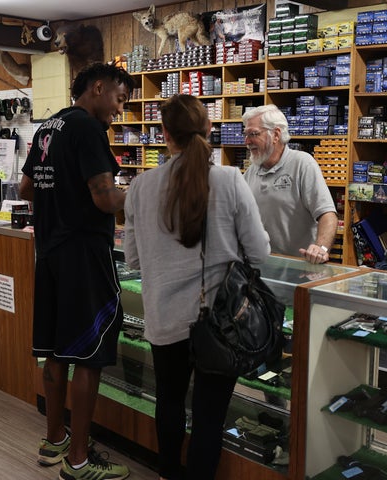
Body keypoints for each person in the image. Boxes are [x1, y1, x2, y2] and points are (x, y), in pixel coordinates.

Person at [123, 94, 270, 480]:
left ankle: (167, 472)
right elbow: (260, 251)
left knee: (169, 404)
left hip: (164, 319)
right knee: (209, 419)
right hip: (220, 325)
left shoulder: (140, 186)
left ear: (164, 135)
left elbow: (134, 260)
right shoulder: (228, 180)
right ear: (208, 130)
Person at [19, 62, 134, 480]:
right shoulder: (87, 128)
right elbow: (105, 199)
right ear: (98, 87)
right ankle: (81, 462)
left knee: (55, 351)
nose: (120, 110)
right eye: (120, 99)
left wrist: (61, 201)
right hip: (85, 257)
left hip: (49, 253)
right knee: (88, 356)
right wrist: (147, 190)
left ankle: (55, 441)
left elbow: (26, 188)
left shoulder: (49, 126)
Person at [241, 104, 338, 264]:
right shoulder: (251, 172)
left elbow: (327, 215)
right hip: (262, 268)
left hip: (299, 268)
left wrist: (321, 248)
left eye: (253, 134)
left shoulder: (302, 163)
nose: (247, 141)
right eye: (246, 134)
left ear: (276, 135)